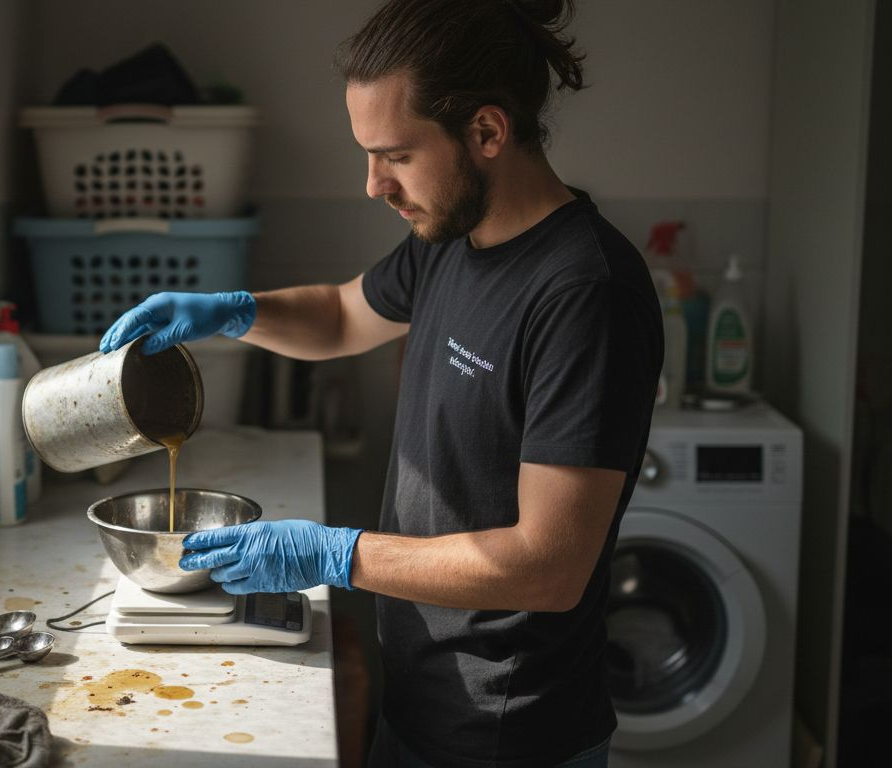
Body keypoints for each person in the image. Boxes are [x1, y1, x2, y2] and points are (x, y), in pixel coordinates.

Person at [98, 0, 662, 765]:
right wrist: (228, 313)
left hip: (507, 734)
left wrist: (334, 554)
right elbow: (337, 316)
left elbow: (549, 565)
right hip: (420, 700)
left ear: (488, 133)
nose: (373, 184)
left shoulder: (585, 292)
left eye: (394, 154)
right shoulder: (451, 240)